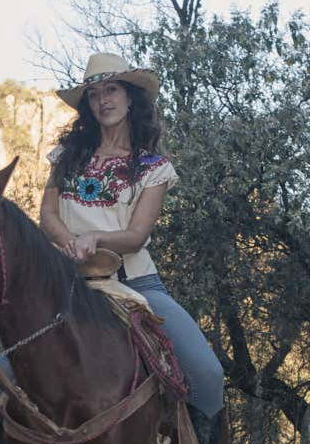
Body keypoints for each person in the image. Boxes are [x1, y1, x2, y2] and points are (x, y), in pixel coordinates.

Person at [42, 52, 225, 443]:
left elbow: (137, 235)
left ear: (129, 98)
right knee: (3, 373)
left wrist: (95, 240)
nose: (103, 100)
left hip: (136, 283)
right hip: (68, 284)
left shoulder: (152, 167)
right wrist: (70, 242)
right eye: (93, 95)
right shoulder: (66, 159)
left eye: (111, 90)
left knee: (207, 375)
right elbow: (47, 216)